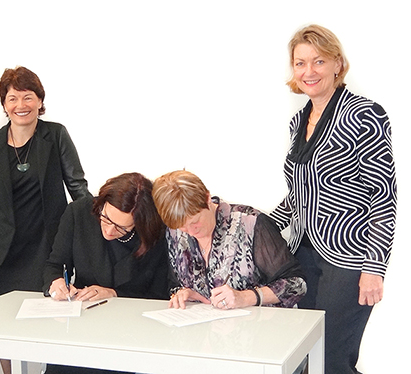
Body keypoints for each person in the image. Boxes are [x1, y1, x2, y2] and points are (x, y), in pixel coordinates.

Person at [270, 25, 397, 374]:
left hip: (348, 258)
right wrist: (259, 224)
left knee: (332, 360)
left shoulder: (364, 113)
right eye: (300, 63)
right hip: (302, 256)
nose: (308, 71)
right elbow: (299, 195)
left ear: (338, 64)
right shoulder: (299, 121)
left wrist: (374, 268)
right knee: (302, 356)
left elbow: (383, 195)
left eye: (319, 61)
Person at [0, 66, 91, 374]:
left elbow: (78, 188)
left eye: (28, 96)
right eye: (13, 98)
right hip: (4, 253)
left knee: (53, 318)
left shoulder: (56, 135)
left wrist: (95, 236)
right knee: (2, 326)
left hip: (48, 248)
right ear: (4, 104)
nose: (20, 105)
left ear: (40, 100)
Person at [43, 172, 169, 374]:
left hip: (131, 332)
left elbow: (160, 294)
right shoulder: (78, 213)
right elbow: (54, 265)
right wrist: (56, 283)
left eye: (121, 227)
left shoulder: (155, 232)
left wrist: (115, 294)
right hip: (81, 324)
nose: (109, 231)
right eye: (106, 218)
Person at [152, 170, 306, 311]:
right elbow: (174, 283)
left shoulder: (250, 224)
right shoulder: (174, 232)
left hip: (257, 330)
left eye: (195, 221)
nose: (191, 232)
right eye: (182, 227)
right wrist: (183, 293)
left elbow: (296, 284)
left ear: (207, 199)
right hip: (202, 332)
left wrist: (245, 297)